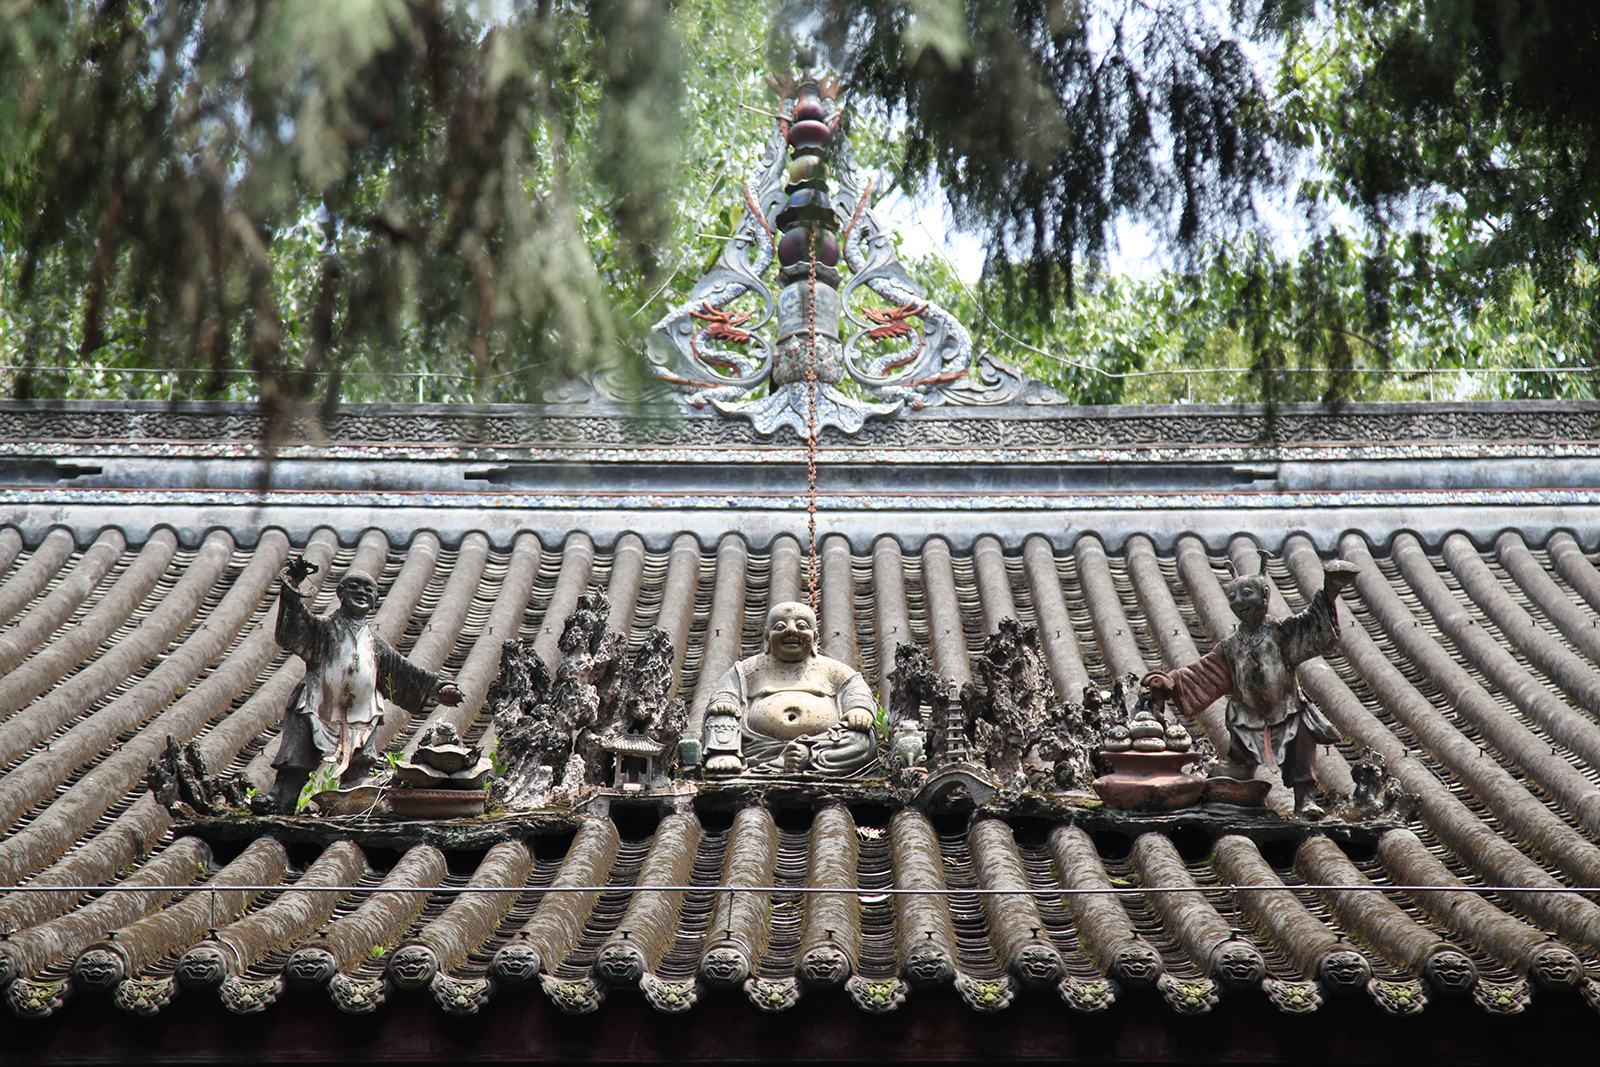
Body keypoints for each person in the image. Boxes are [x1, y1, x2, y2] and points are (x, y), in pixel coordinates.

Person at [1142, 559, 1358, 817]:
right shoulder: (1231, 647)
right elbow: (1204, 673)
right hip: (1246, 715)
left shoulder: (1282, 633)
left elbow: (1311, 626)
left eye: (1246, 594)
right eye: (1232, 597)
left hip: (1287, 709)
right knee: (1237, 762)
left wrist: (1330, 591)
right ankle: (1237, 793)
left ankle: (1305, 800)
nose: (1239, 602)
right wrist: (1171, 682)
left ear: (1265, 595)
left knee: (1302, 746)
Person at [269, 557, 462, 812]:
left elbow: (404, 672)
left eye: (368, 589)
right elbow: (293, 628)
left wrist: (437, 689)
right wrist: (291, 585)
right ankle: (278, 804)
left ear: (375, 600)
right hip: (316, 705)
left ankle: (351, 811)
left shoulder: (375, 644)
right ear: (340, 593)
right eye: (354, 587)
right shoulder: (323, 629)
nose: (361, 592)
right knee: (295, 765)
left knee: (359, 771)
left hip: (361, 714)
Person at [689, 601, 878, 775]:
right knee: (721, 714)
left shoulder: (834, 670)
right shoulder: (748, 669)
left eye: (802, 626)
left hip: (822, 743)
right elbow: (725, 692)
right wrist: (724, 703)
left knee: (861, 742)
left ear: (815, 637)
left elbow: (856, 691)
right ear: (767, 637)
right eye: (780, 627)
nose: (791, 631)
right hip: (759, 746)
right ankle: (724, 752)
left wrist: (859, 709)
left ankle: (807, 757)